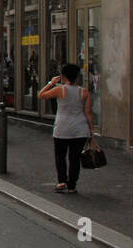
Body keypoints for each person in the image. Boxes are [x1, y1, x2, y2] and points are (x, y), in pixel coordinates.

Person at [38, 63, 94, 193]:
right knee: (74, 158)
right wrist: (91, 131)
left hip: (62, 128)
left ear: (63, 76)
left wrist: (51, 83)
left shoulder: (60, 90)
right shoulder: (84, 92)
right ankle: (72, 185)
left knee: (60, 156)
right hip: (80, 129)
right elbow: (88, 113)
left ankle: (62, 181)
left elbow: (41, 95)